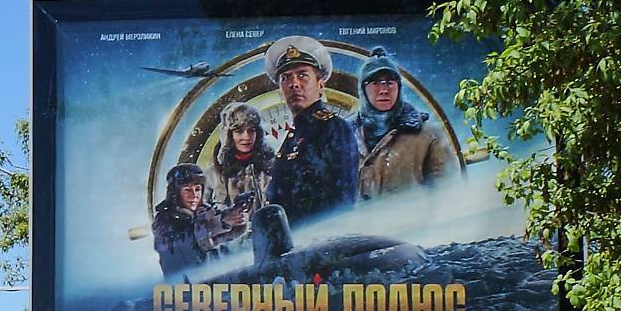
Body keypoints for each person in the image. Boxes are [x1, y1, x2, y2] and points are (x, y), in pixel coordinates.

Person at [261, 35, 360, 227]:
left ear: (321, 85)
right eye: (286, 77)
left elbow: (343, 202)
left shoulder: (334, 128)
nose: (294, 83)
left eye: (302, 75)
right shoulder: (291, 138)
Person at [351, 47, 456, 199]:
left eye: (389, 83)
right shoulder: (341, 134)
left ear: (399, 88)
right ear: (362, 89)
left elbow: (449, 192)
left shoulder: (428, 135)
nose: (383, 90)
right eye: (375, 83)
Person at [150, 163, 244, 276]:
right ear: (176, 193)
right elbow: (183, 244)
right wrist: (218, 224)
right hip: (185, 287)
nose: (194, 195)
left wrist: (237, 217)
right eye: (187, 190)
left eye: (197, 189)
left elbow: (223, 238)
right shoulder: (164, 220)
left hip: (217, 282)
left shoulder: (207, 210)